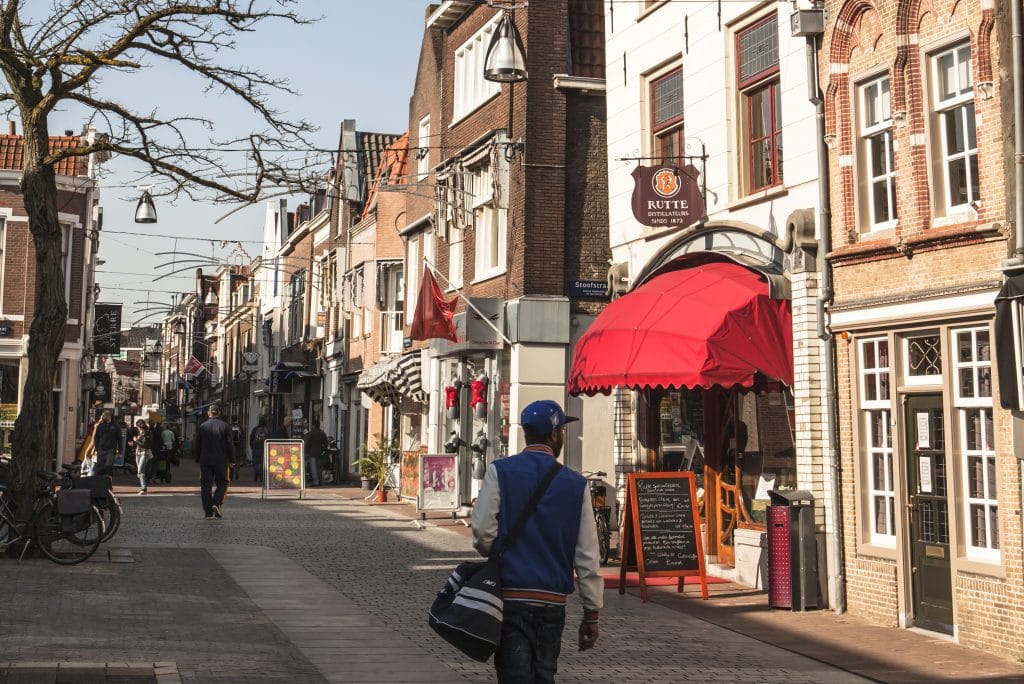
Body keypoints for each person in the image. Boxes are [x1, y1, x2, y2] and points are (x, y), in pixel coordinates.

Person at [471, 400, 602, 683]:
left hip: (510, 595)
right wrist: (591, 610)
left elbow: (482, 532)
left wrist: (498, 557)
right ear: (554, 435)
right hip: (551, 600)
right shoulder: (576, 485)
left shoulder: (499, 471)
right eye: (562, 431)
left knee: (513, 675)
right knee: (544, 674)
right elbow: (587, 554)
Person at [194, 403, 234, 520]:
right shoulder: (225, 426)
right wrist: (232, 459)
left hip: (205, 460)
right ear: (219, 413)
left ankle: (207, 512)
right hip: (220, 460)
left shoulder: (203, 426)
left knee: (205, 485)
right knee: (223, 482)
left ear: (209, 413)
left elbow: (198, 444)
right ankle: (216, 503)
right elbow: (230, 444)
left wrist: (197, 457)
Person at [89, 410, 121, 477]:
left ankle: (109, 483)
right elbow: (96, 438)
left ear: (109, 416)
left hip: (111, 450)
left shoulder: (115, 426)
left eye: (104, 415)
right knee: (100, 468)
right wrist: (97, 449)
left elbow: (119, 438)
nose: (103, 417)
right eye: (103, 416)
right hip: (101, 450)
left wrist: (119, 450)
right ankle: (101, 484)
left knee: (108, 467)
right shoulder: (100, 426)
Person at [302, 418, 327, 487]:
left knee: (313, 467)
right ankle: (320, 480)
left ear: (313, 426)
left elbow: (307, 443)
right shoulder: (322, 433)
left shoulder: (310, 433)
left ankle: (315, 481)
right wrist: (323, 450)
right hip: (320, 453)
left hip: (312, 453)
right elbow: (326, 443)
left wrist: (306, 451)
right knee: (319, 467)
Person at [132, 419, 153, 494]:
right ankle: (143, 488)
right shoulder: (140, 433)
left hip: (144, 452)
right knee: (141, 471)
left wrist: (136, 440)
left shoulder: (147, 433)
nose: (137, 428)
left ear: (139, 426)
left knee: (140, 470)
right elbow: (140, 444)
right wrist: (133, 444)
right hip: (138, 452)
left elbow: (145, 444)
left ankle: (144, 488)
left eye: (137, 426)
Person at [249, 417, 269, 483]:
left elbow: (251, 438)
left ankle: (256, 473)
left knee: (256, 462)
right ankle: (261, 477)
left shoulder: (255, 429)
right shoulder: (267, 429)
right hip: (264, 449)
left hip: (255, 448)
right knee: (263, 463)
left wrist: (252, 446)